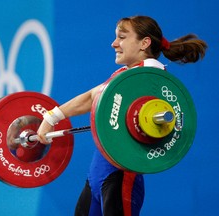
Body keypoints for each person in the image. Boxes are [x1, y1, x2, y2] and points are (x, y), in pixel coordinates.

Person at [36, 15, 207, 216]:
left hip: (122, 178)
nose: (114, 44)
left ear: (144, 43)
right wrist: (51, 118)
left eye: (122, 37)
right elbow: (92, 97)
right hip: (97, 176)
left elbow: (166, 119)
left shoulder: (152, 77)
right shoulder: (126, 75)